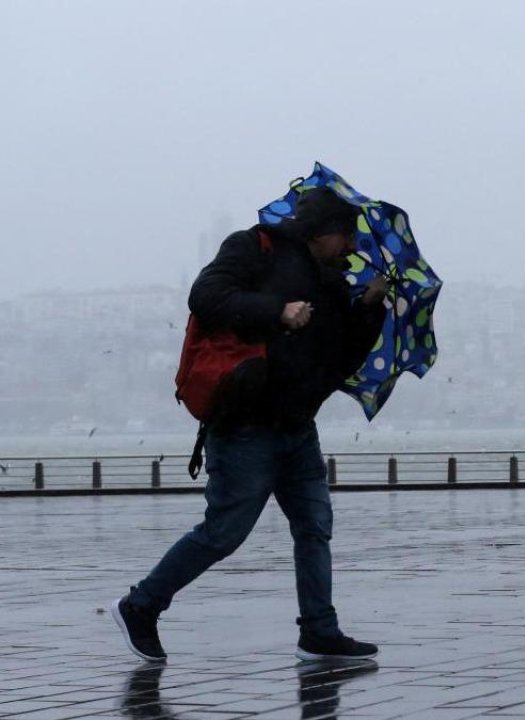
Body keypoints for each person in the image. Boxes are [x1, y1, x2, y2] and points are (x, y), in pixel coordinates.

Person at [112, 187, 387, 662]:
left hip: (298, 427)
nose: (351, 247)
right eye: (346, 235)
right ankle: (141, 605)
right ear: (322, 232)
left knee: (314, 526)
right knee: (224, 532)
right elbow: (206, 296)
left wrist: (368, 308)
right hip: (245, 425)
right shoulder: (252, 248)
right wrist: (276, 312)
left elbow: (341, 361)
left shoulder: (333, 283)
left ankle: (319, 631)